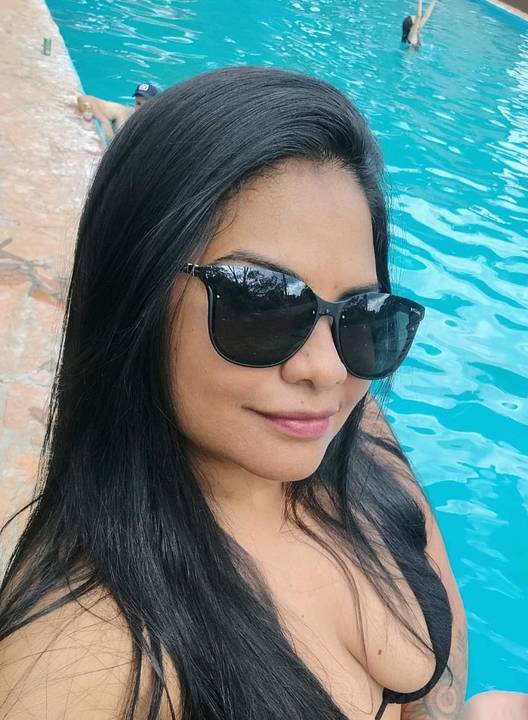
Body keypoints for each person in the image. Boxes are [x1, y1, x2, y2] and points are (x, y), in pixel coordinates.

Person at [0, 66, 467, 720]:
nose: (327, 370)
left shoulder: (359, 436)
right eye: (263, 304)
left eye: (363, 316)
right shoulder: (80, 667)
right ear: (135, 293)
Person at [76, 82, 158, 140]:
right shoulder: (123, 112)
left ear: (155, 105)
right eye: (138, 103)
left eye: (146, 105)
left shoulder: (157, 126)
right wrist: (104, 121)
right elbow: (84, 99)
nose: (141, 108)